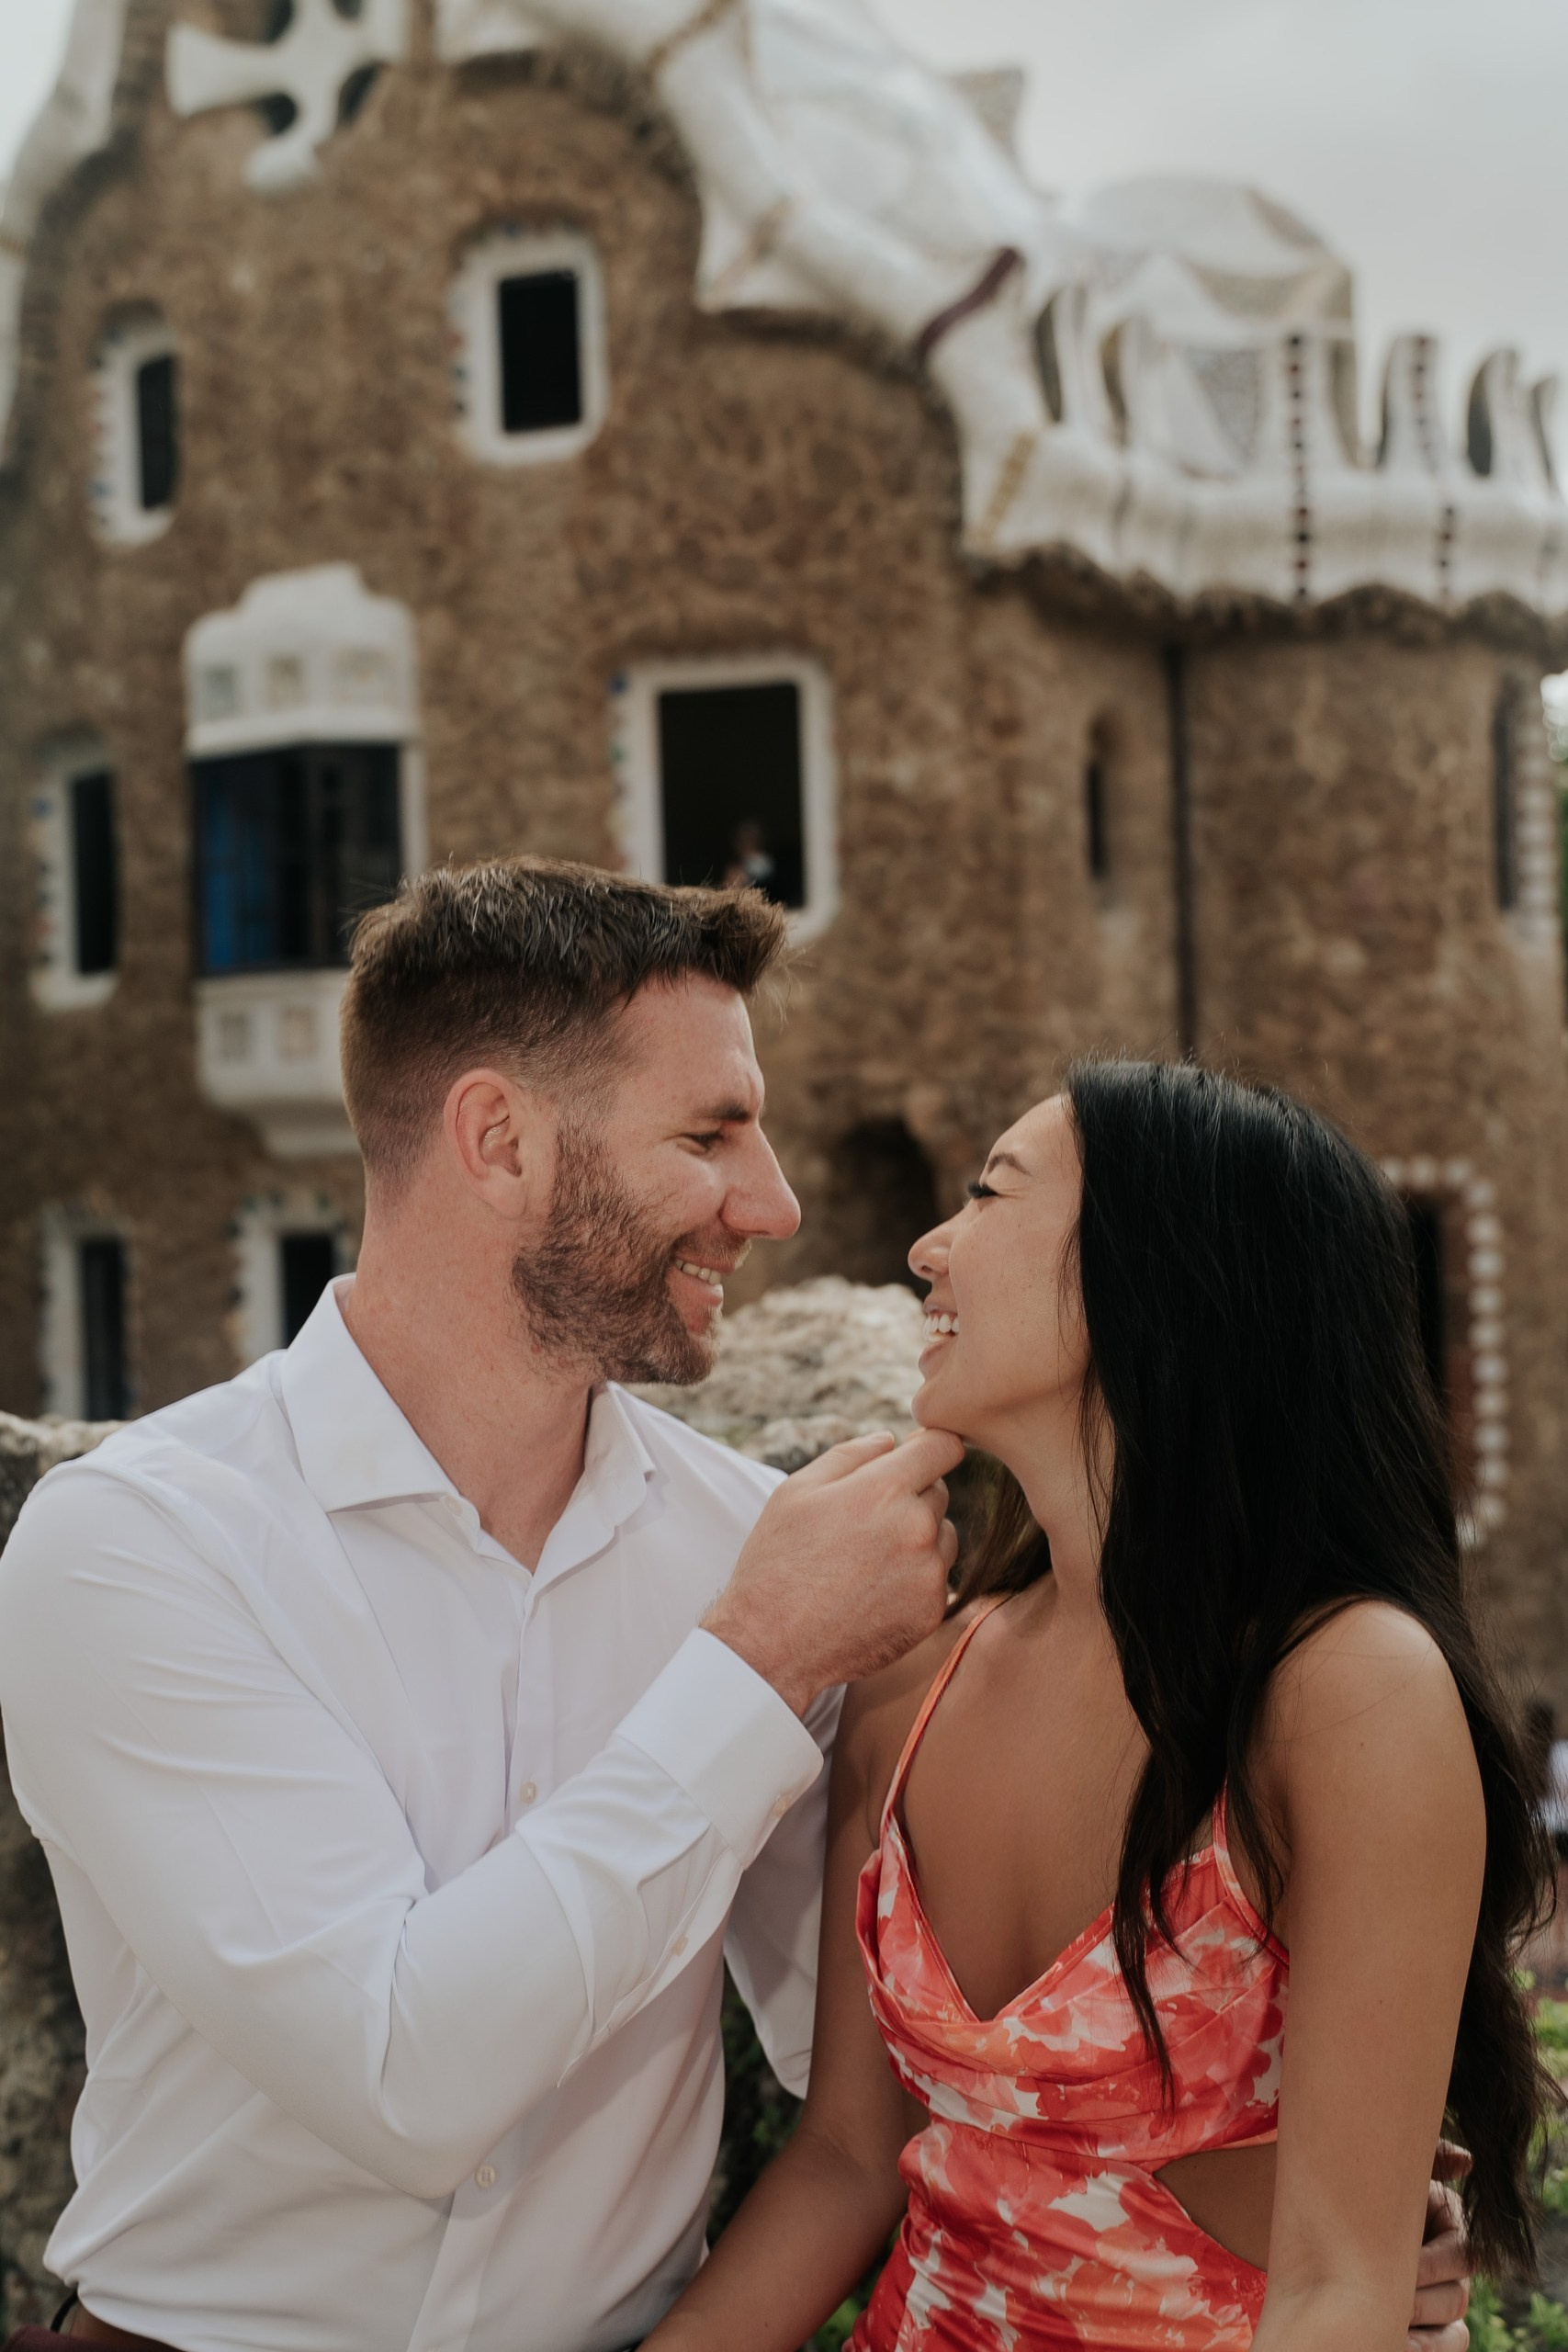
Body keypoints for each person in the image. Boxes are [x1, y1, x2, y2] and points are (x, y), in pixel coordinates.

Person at [0, 860, 964, 2352]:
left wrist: (1297, 2202)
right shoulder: (135, 1544)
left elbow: (887, 2070)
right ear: (498, 1139)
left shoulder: (738, 1543)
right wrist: (755, 1662)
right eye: (709, 1134)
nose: (768, 1207)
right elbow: (403, 2080)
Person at [644, 1060, 1546, 2352]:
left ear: (1155, 1276)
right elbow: (846, 2156)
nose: (926, 1245)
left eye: (989, 1196)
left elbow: (1342, 2287)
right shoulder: (911, 1678)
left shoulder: (1344, 1697)